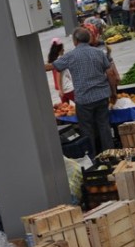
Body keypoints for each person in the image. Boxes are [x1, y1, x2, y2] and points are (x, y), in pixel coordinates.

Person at [49, 27, 118, 155]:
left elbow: (52, 66)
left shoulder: (70, 56)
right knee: (104, 127)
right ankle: (111, 155)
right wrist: (113, 93)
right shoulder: (99, 53)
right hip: (102, 96)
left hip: (84, 100)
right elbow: (110, 74)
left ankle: (92, 158)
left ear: (75, 41)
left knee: (87, 130)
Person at [47, 38, 74, 104]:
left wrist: (60, 89)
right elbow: (58, 75)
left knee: (65, 108)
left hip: (63, 88)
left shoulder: (53, 61)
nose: (64, 50)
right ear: (59, 49)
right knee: (81, 105)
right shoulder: (60, 60)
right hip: (68, 88)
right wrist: (60, 90)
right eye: (62, 48)